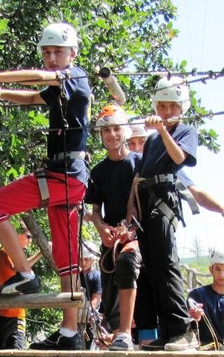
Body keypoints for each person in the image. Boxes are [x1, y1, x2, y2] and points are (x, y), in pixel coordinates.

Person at [0, 22, 91, 350]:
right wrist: (1, 94)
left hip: (63, 177)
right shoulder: (62, 86)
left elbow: (41, 79)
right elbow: (37, 96)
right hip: (69, 180)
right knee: (67, 259)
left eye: (57, 51)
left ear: (73, 54)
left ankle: (25, 273)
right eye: (46, 52)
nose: (51, 57)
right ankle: (69, 333)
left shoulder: (75, 75)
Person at [127, 76, 199, 351]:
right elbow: (139, 176)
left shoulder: (184, 132)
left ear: (182, 107)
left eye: (172, 107)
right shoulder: (151, 142)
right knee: (153, 267)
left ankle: (182, 328)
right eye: (162, 106)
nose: (167, 112)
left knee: (167, 264)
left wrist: (165, 131)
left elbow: (180, 159)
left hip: (164, 199)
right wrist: (132, 209)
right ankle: (167, 331)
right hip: (145, 201)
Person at [84, 105, 141, 351]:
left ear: (125, 131)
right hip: (112, 237)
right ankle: (118, 336)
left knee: (127, 262)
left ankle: (126, 334)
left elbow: (142, 203)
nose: (112, 135)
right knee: (109, 286)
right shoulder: (97, 172)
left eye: (117, 128)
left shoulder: (139, 163)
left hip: (139, 234)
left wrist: (130, 229)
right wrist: (101, 228)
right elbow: (96, 211)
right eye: (106, 130)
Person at [0, 228, 43, 349]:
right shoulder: (7, 252)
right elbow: (19, 267)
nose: (30, 241)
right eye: (28, 236)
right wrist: (40, 253)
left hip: (9, 313)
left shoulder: (5, 252)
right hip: (9, 314)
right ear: (18, 233)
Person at [188, 249, 224, 349]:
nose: (222, 275)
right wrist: (194, 317)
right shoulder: (196, 296)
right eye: (218, 269)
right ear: (211, 269)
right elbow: (186, 324)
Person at [78, 241, 102, 349]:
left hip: (90, 317)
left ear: (92, 260)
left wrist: (88, 312)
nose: (83, 262)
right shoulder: (76, 276)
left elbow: (96, 299)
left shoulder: (96, 276)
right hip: (77, 316)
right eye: (81, 259)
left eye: (86, 259)